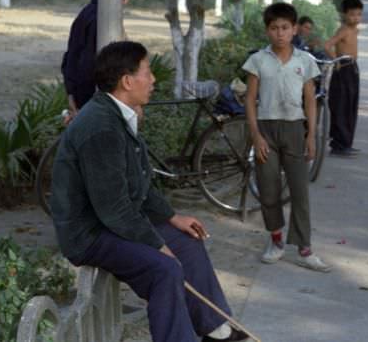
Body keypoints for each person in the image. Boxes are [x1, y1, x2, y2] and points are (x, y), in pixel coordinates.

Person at [51, 41, 248, 342]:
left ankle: (213, 328)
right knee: (164, 268)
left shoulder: (118, 113)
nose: (154, 79)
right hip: (89, 232)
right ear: (127, 81)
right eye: (148, 71)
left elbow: (139, 184)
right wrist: (155, 243)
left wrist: (171, 217)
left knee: (188, 242)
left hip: (110, 221)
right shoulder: (101, 127)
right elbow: (113, 208)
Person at [242, 2, 330, 272]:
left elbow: (310, 100)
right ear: (267, 31)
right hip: (266, 131)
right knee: (268, 189)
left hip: (294, 130)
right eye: (274, 28)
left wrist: (311, 136)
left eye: (285, 27)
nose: (280, 33)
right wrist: (256, 135)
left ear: (294, 29)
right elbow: (250, 100)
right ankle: (276, 240)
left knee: (300, 191)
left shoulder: (305, 61)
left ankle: (304, 248)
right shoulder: (258, 60)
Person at [61, 0, 136, 117]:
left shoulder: (87, 12)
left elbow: (69, 60)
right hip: (95, 105)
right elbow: (87, 67)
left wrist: (71, 96)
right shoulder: (101, 19)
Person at [324, 0, 364, 157]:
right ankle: (338, 144)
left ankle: (346, 142)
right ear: (344, 14)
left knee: (350, 106)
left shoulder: (354, 29)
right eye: (353, 14)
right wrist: (336, 61)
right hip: (343, 69)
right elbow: (327, 45)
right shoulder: (344, 30)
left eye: (359, 14)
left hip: (352, 68)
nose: (356, 18)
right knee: (341, 106)